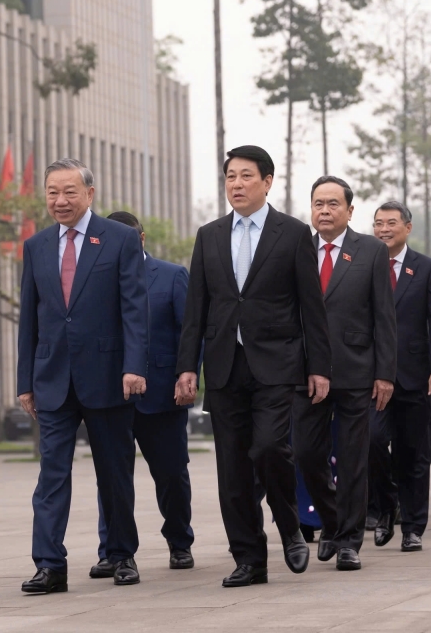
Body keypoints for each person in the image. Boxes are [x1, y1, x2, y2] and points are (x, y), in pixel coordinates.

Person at [175, 145, 331, 587]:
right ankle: (248, 558)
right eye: (230, 176)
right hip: (225, 366)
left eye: (246, 176)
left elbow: (311, 306)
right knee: (233, 470)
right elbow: (197, 308)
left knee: (267, 449)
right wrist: (188, 366)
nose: (237, 184)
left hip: (277, 363)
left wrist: (319, 366)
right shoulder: (209, 234)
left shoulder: (294, 233)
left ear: (267, 182)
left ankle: (289, 527)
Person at [16, 159, 148, 594]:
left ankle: (121, 553)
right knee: (51, 476)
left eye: (69, 192)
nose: (60, 201)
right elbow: (30, 321)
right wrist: (25, 381)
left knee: (114, 472)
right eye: (53, 192)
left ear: (90, 194)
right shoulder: (35, 246)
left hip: (109, 375)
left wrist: (135, 366)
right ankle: (50, 564)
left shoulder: (120, 239)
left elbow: (134, 307)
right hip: (53, 379)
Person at [291, 177, 395, 572]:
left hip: (356, 369)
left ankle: (350, 541)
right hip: (306, 372)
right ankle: (333, 522)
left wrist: (385, 373)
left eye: (333, 204)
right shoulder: (298, 248)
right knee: (305, 452)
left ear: (350, 211)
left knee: (353, 458)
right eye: (318, 203)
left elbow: (385, 317)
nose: (325, 211)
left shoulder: (370, 250)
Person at [88, 211, 195, 577]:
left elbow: (189, 333)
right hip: (108, 395)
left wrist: (188, 375)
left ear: (142, 239)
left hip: (162, 395)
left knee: (171, 474)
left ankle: (179, 541)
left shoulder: (172, 275)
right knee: (112, 477)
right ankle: (113, 551)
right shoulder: (94, 279)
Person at [367, 200, 431, 552]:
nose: (384, 229)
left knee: (413, 453)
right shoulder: (364, 262)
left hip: (415, 376)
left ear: (408, 227)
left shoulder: (427, 268)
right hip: (371, 377)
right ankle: (387, 506)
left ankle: (413, 527)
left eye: (391, 223)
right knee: (370, 442)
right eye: (378, 223)